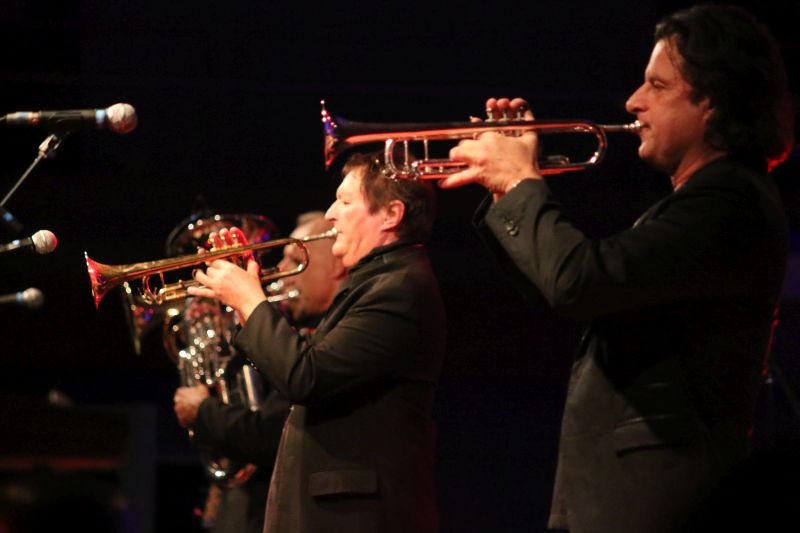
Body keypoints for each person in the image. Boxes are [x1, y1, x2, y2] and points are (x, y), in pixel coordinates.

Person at [439, 5, 793, 532]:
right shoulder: (702, 201)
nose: (633, 101)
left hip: (656, 500)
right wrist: (503, 191)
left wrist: (518, 183)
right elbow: (561, 288)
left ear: (711, 101)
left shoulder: (729, 203)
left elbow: (580, 283)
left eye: (658, 85)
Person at [188, 152, 446, 533]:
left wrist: (249, 299)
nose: (330, 214)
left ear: (391, 215)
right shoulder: (376, 282)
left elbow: (306, 376)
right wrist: (244, 303)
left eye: (345, 201)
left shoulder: (400, 288)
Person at [173, 212, 345, 533]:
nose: (280, 271)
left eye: (296, 260)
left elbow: (269, 434)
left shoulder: (324, 337)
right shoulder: (290, 330)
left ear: (337, 264)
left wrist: (203, 411)